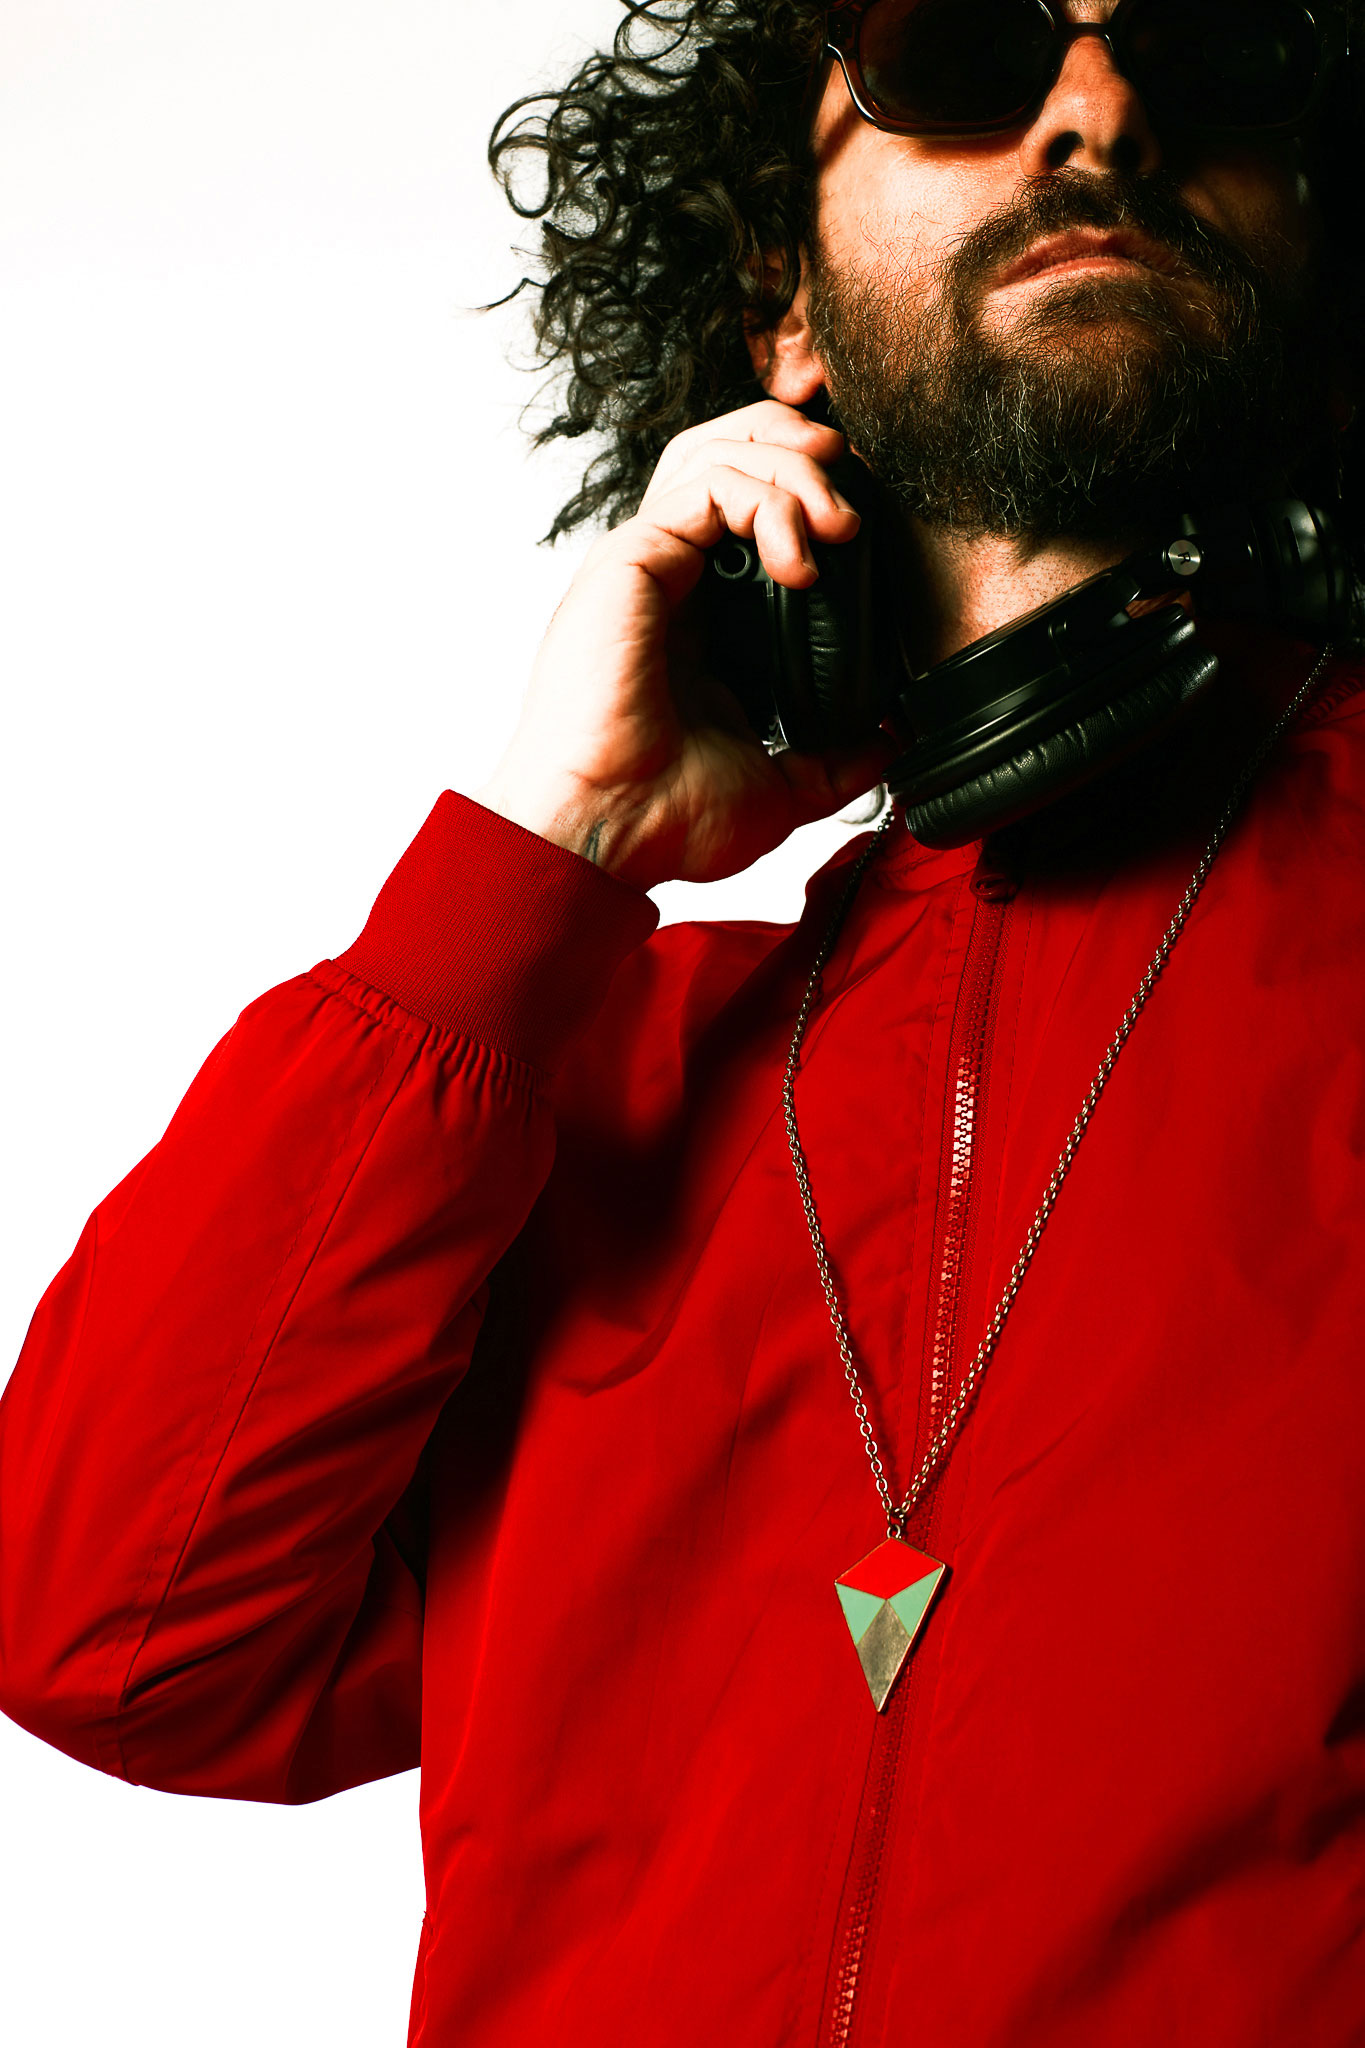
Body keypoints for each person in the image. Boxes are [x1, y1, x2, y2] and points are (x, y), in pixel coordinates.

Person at [2, 1, 1363, 2041]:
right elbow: (119, 1643)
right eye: (956, 54)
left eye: (1200, 54)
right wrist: (536, 854)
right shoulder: (575, 1082)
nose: (1094, 106)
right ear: (782, 311)